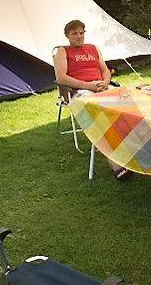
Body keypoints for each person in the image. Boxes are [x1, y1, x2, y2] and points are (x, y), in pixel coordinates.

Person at [53, 19, 129, 180]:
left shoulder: (93, 48)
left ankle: (132, 147)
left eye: (81, 33)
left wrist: (104, 84)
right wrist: (88, 86)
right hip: (81, 92)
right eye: (75, 33)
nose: (79, 36)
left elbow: (105, 71)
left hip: (101, 88)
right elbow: (61, 78)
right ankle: (113, 160)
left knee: (128, 103)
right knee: (98, 113)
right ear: (67, 36)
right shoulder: (62, 51)